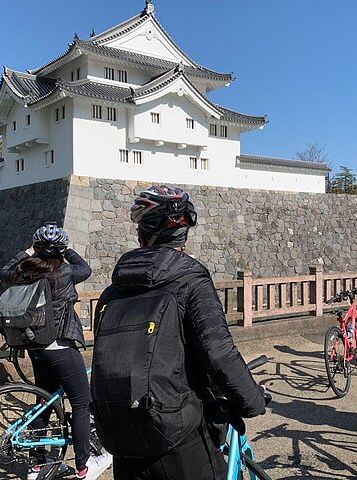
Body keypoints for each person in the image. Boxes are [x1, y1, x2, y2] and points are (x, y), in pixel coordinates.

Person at [93, 185, 267, 480]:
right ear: (183, 237)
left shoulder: (113, 292)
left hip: (121, 432)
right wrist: (252, 401)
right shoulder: (190, 281)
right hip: (178, 434)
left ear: (141, 237)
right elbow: (218, 352)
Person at [0, 223, 112, 480]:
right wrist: (69, 250)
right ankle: (85, 467)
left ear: (37, 247)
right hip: (59, 344)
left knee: (43, 402)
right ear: (61, 248)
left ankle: (37, 466)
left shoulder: (25, 270)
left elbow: (3, 272)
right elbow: (86, 269)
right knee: (82, 403)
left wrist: (26, 253)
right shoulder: (64, 271)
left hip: (36, 346)